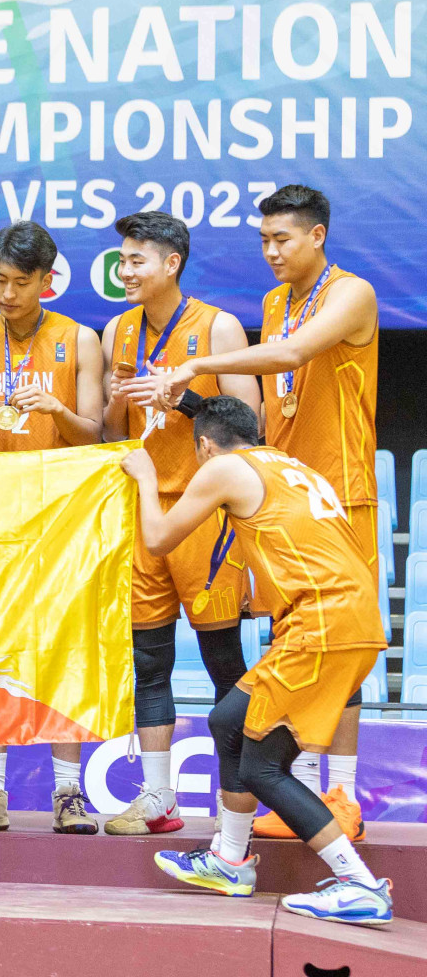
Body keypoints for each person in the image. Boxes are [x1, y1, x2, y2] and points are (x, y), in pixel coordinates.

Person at [126, 185, 375, 842]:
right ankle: (289, 794)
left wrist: (197, 364)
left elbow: (291, 357)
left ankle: (339, 795)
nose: (270, 252)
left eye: (282, 239)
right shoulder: (273, 302)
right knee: (290, 639)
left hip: (339, 490)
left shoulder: (353, 293)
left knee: (334, 642)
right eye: (262, 240)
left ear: (318, 236)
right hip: (281, 493)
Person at [125, 396, 395, 925]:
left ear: (204, 444)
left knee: (263, 766)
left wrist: (145, 476)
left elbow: (157, 539)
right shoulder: (288, 464)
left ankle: (360, 884)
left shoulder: (225, 467)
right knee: (227, 720)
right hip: (346, 617)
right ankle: (230, 860)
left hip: (322, 621)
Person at [100, 211, 262, 836]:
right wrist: (120, 401)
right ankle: (158, 797)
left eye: (137, 259)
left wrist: (184, 400)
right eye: (122, 259)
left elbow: (251, 430)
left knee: (224, 662)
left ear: (171, 264)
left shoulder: (217, 326)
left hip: (206, 517)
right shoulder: (118, 330)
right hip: (142, 510)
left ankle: (236, 816)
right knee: (150, 663)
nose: (125, 270)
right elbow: (113, 432)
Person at [0, 221, 104, 835]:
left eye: (21, 282)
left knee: (62, 652)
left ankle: (69, 794)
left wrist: (59, 411)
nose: (7, 294)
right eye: (0, 280)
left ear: (48, 280)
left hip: (64, 517)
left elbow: (98, 435)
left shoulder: (81, 340)